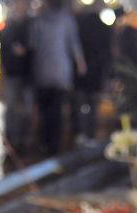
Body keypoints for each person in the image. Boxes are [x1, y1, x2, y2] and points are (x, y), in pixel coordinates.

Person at [28, 0, 86, 156]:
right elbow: (74, 45)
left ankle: (45, 143)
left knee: (45, 111)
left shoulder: (39, 20)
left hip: (42, 72)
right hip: (61, 73)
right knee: (57, 111)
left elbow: (33, 45)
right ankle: (54, 147)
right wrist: (80, 63)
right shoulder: (67, 20)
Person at [72, 1, 112, 144]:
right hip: (96, 73)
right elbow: (107, 53)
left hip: (81, 72)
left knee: (80, 105)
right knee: (93, 106)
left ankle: (81, 133)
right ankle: (91, 135)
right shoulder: (104, 28)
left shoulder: (79, 24)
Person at [0, 0, 33, 152]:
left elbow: (34, 47)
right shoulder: (9, 25)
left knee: (27, 108)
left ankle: (24, 139)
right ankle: (10, 139)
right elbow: (4, 48)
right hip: (12, 73)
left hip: (28, 73)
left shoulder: (31, 24)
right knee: (11, 107)